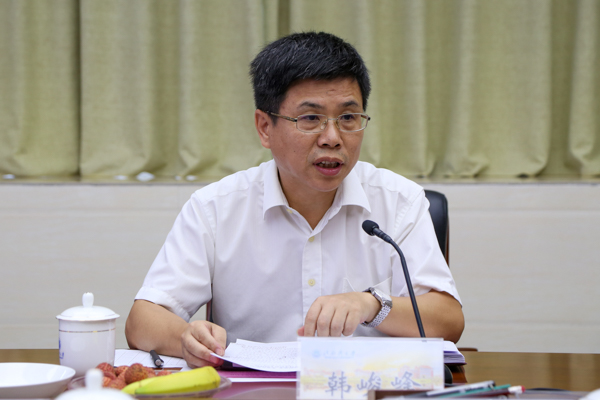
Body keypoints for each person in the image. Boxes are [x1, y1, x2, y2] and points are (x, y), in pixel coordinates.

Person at [125, 31, 464, 368]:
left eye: (348, 118)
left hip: (367, 386)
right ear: (265, 127)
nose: (332, 138)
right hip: (253, 390)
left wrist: (372, 305)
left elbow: (449, 320)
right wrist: (187, 339)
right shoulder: (216, 208)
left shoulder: (399, 201)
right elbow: (142, 321)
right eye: (310, 118)